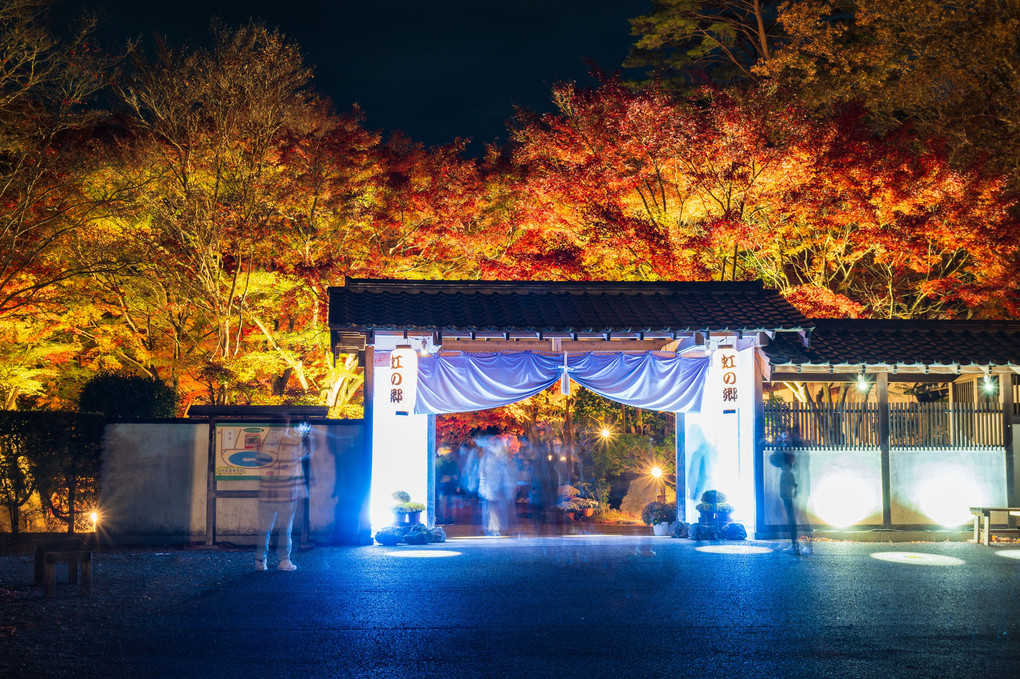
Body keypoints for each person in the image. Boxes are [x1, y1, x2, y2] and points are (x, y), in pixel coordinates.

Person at [256, 417, 312, 572]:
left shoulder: (265, 443)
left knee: (264, 528)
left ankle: (260, 561)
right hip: (286, 492)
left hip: (267, 492)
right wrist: (307, 436)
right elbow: (307, 453)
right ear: (286, 424)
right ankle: (283, 561)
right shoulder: (291, 442)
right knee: (285, 527)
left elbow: (258, 460)